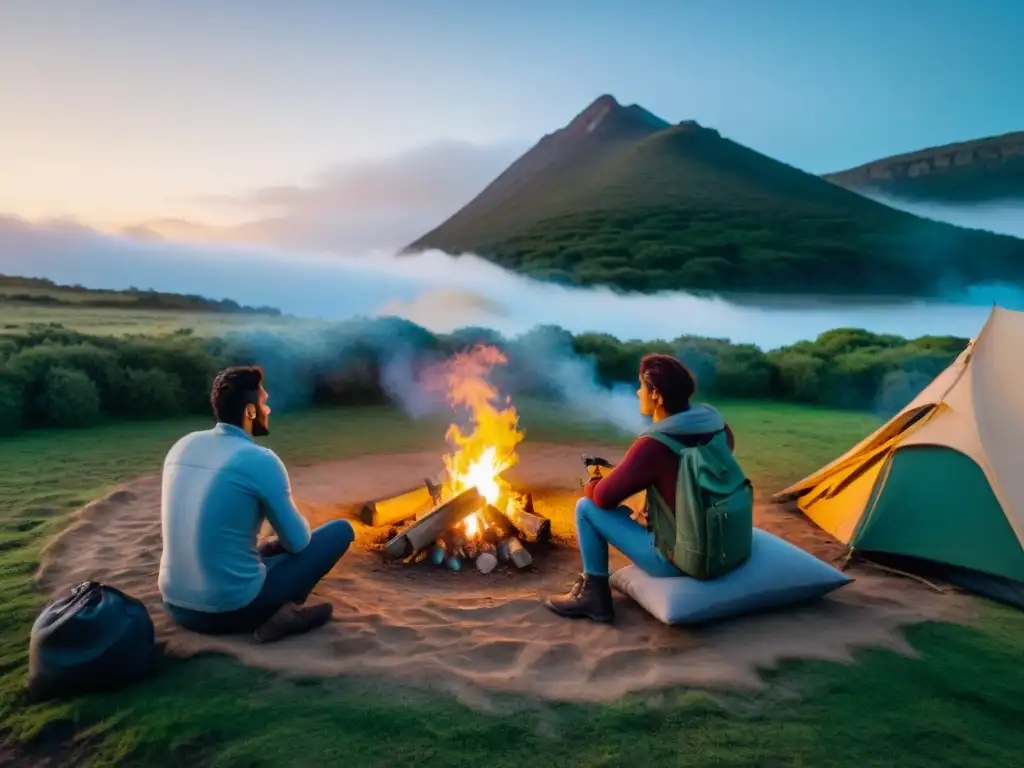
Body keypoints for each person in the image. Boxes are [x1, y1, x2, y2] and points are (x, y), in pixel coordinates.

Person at [158, 365, 355, 643]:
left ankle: (274, 599)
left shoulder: (182, 445)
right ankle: (282, 614)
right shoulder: (260, 459)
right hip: (230, 611)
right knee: (340, 531)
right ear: (250, 411)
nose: (268, 410)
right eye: (264, 402)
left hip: (175, 604)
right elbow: (298, 543)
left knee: (264, 548)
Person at [545, 353, 738, 623]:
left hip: (680, 560)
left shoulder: (654, 445)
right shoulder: (717, 426)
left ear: (656, 394)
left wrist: (592, 482)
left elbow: (602, 498)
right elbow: (689, 473)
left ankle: (594, 596)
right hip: (727, 542)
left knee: (585, 508)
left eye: (640, 386)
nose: (637, 393)